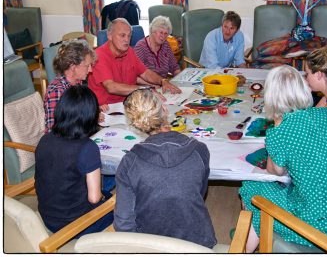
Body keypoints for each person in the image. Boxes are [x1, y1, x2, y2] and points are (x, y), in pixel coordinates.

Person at [239, 65, 327, 252]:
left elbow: (276, 171)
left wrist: (277, 129)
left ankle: (244, 247)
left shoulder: (281, 131)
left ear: (271, 97)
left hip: (316, 225)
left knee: (251, 187)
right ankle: (250, 242)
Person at [114, 88, 217, 249]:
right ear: (165, 110)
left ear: (136, 124)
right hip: (198, 243)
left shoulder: (129, 162)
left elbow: (123, 223)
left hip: (151, 246)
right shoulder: (199, 150)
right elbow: (199, 193)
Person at [35, 85, 113, 237]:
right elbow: (94, 198)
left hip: (48, 217)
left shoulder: (45, 139)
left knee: (106, 185)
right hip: (76, 225)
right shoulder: (87, 148)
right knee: (120, 199)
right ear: (89, 115)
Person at [88, 18, 181, 106]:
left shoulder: (129, 51)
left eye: (129, 36)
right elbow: (111, 87)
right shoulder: (99, 55)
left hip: (129, 102)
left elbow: (146, 73)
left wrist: (163, 81)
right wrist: (145, 89)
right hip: (107, 109)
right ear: (109, 35)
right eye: (122, 35)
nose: (126, 40)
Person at [44, 40, 95, 133]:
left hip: (79, 134)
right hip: (64, 142)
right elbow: (54, 130)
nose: (90, 70)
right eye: (87, 66)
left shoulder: (78, 82)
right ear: (73, 66)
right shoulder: (57, 91)